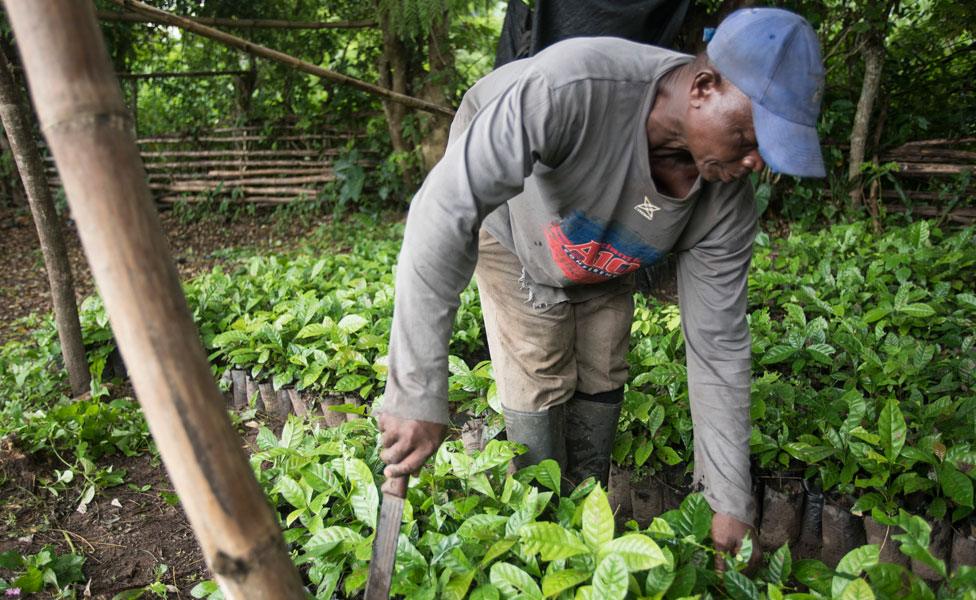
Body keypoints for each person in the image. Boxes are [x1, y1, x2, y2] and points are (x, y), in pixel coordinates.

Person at [376, 7, 825, 558]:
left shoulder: (725, 198)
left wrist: (730, 500)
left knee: (602, 365)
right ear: (705, 88)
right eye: (750, 137)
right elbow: (443, 211)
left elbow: (718, 345)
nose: (756, 162)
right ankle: (537, 536)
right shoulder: (571, 87)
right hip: (516, 223)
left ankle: (580, 519)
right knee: (541, 367)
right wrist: (417, 392)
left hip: (609, 242)